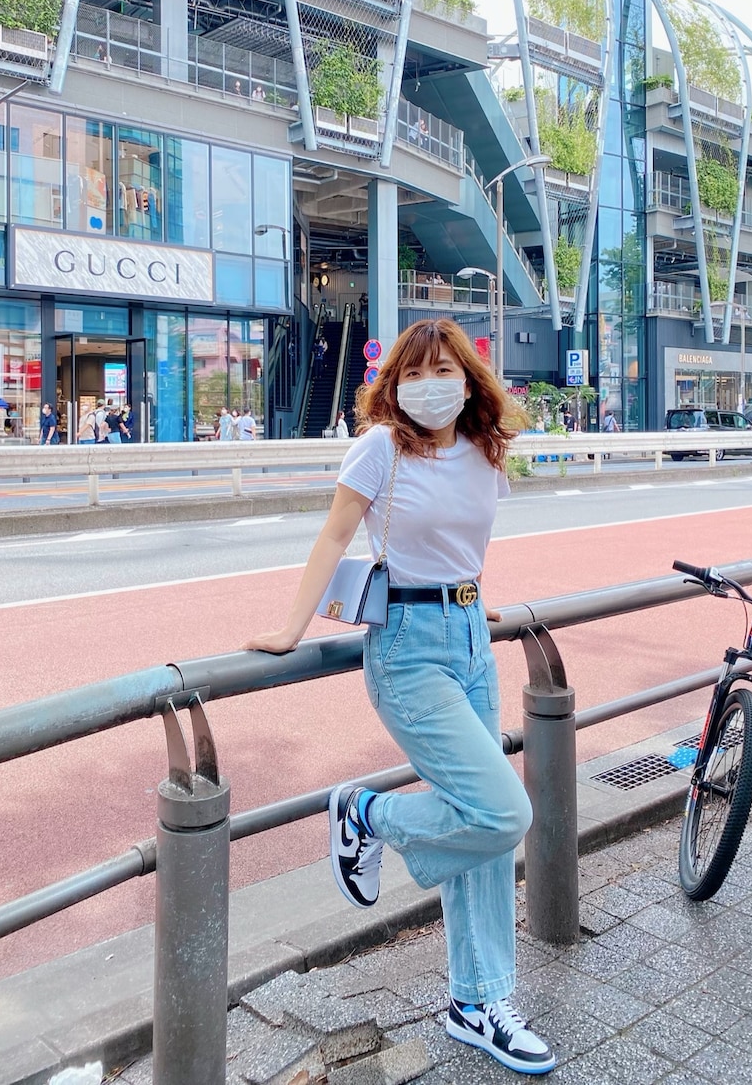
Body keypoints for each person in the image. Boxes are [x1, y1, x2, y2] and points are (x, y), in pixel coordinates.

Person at [244, 318, 555, 1077]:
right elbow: (333, 537)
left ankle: (479, 1002)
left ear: (469, 380)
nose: (428, 385)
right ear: (393, 384)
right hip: (408, 649)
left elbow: (461, 538)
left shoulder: (484, 448)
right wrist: (290, 629)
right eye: (413, 373)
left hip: (470, 640)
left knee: (480, 831)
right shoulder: (381, 447)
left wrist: (468, 597)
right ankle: (367, 815)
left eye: (443, 370)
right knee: (502, 814)